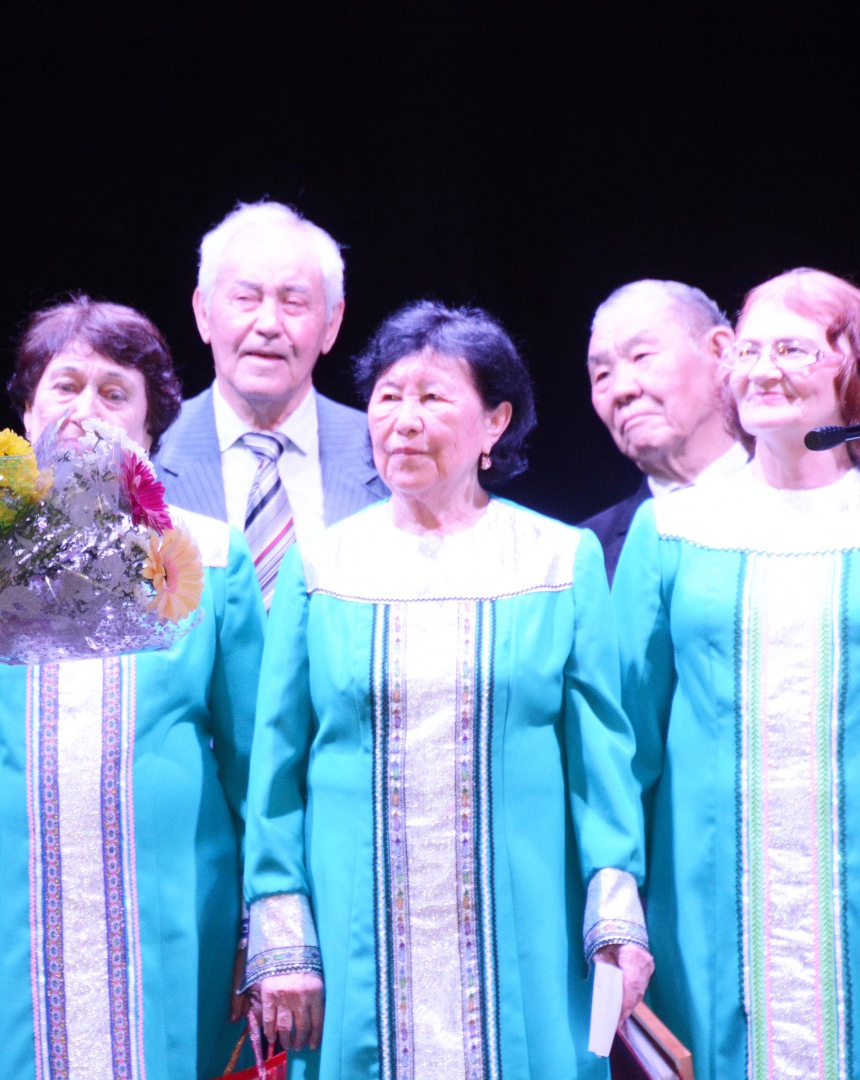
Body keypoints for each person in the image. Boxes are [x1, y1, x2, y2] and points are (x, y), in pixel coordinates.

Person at [0, 296, 266, 1079]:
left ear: (150, 425)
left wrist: (263, 919)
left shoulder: (208, 557)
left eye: (114, 393)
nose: (85, 409)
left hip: (174, 919)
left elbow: (254, 760)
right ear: (28, 409)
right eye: (65, 385)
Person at [244, 301, 652, 1079]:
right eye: (387, 397)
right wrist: (282, 930)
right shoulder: (321, 565)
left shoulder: (557, 560)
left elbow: (601, 762)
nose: (403, 420)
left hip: (525, 928)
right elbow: (275, 762)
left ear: (495, 421)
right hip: (354, 932)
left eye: (432, 397)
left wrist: (614, 913)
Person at [617, 268, 860, 1080]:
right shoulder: (674, 529)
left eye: (792, 349)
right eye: (747, 351)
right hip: (704, 903)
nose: (761, 370)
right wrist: (613, 894)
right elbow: (624, 738)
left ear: (848, 365)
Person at [152, 201, 386, 607]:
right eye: (245, 298)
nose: (268, 324)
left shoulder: (388, 455)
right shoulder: (147, 455)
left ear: (331, 323)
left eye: (293, 303)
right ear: (203, 312)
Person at [581, 279, 744, 580]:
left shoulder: (814, 503)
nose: (621, 389)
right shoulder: (585, 557)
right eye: (602, 375)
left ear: (720, 351)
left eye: (641, 357)